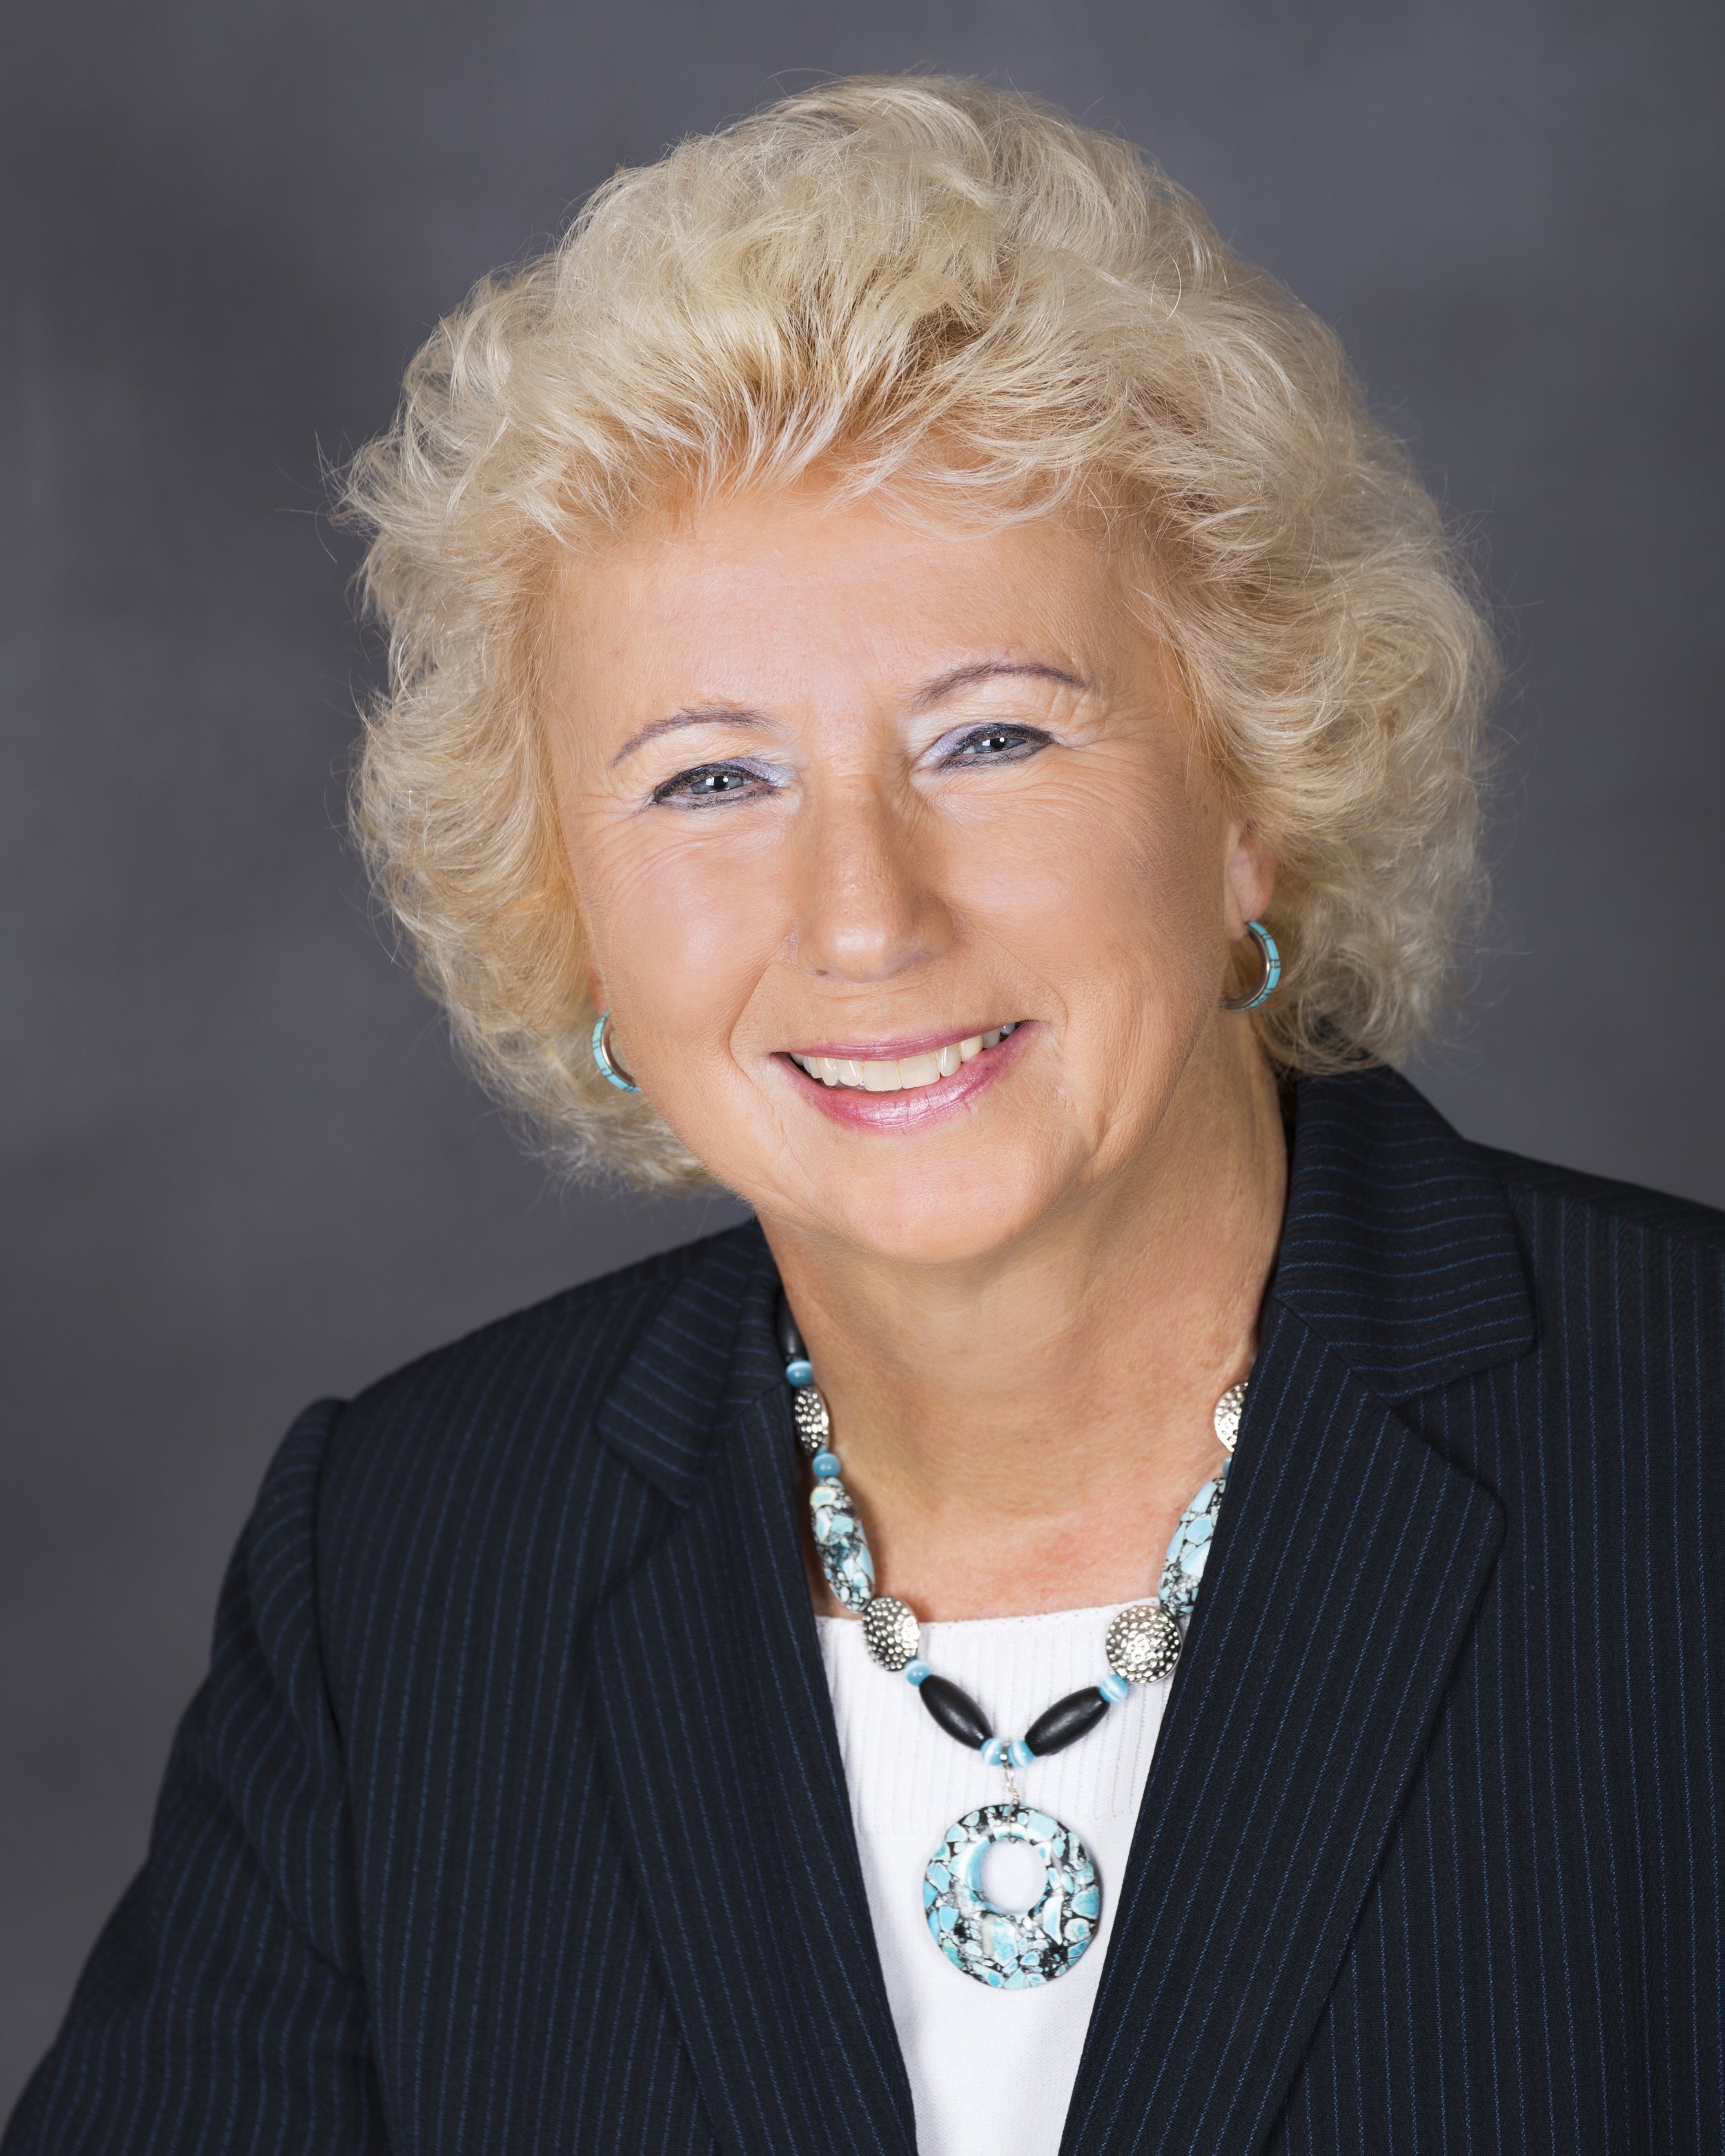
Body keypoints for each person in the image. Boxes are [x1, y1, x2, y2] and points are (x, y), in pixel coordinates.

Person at [7, 74, 1720, 2156]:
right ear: (569, 908)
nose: (860, 918)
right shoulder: (405, 1569)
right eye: (708, 779)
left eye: (988, 737)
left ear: (1253, 798)